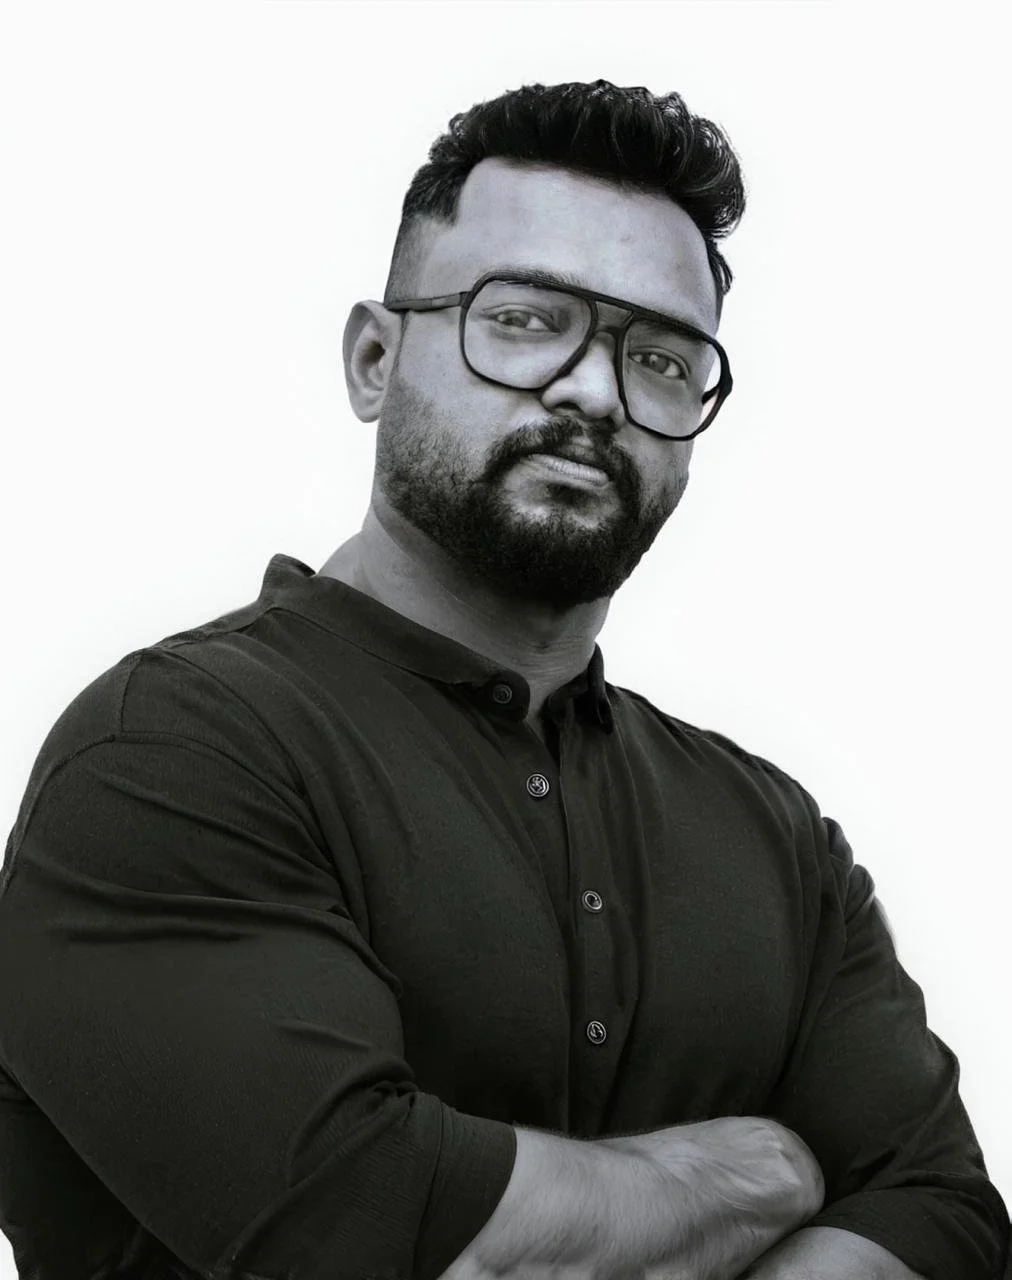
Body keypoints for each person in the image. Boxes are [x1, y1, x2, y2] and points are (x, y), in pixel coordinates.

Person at [0, 79, 1006, 1280]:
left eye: (659, 357)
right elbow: (364, 1227)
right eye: (525, 319)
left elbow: (946, 1218)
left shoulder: (775, 835)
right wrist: (768, 1173)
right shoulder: (169, 754)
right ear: (374, 360)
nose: (593, 391)